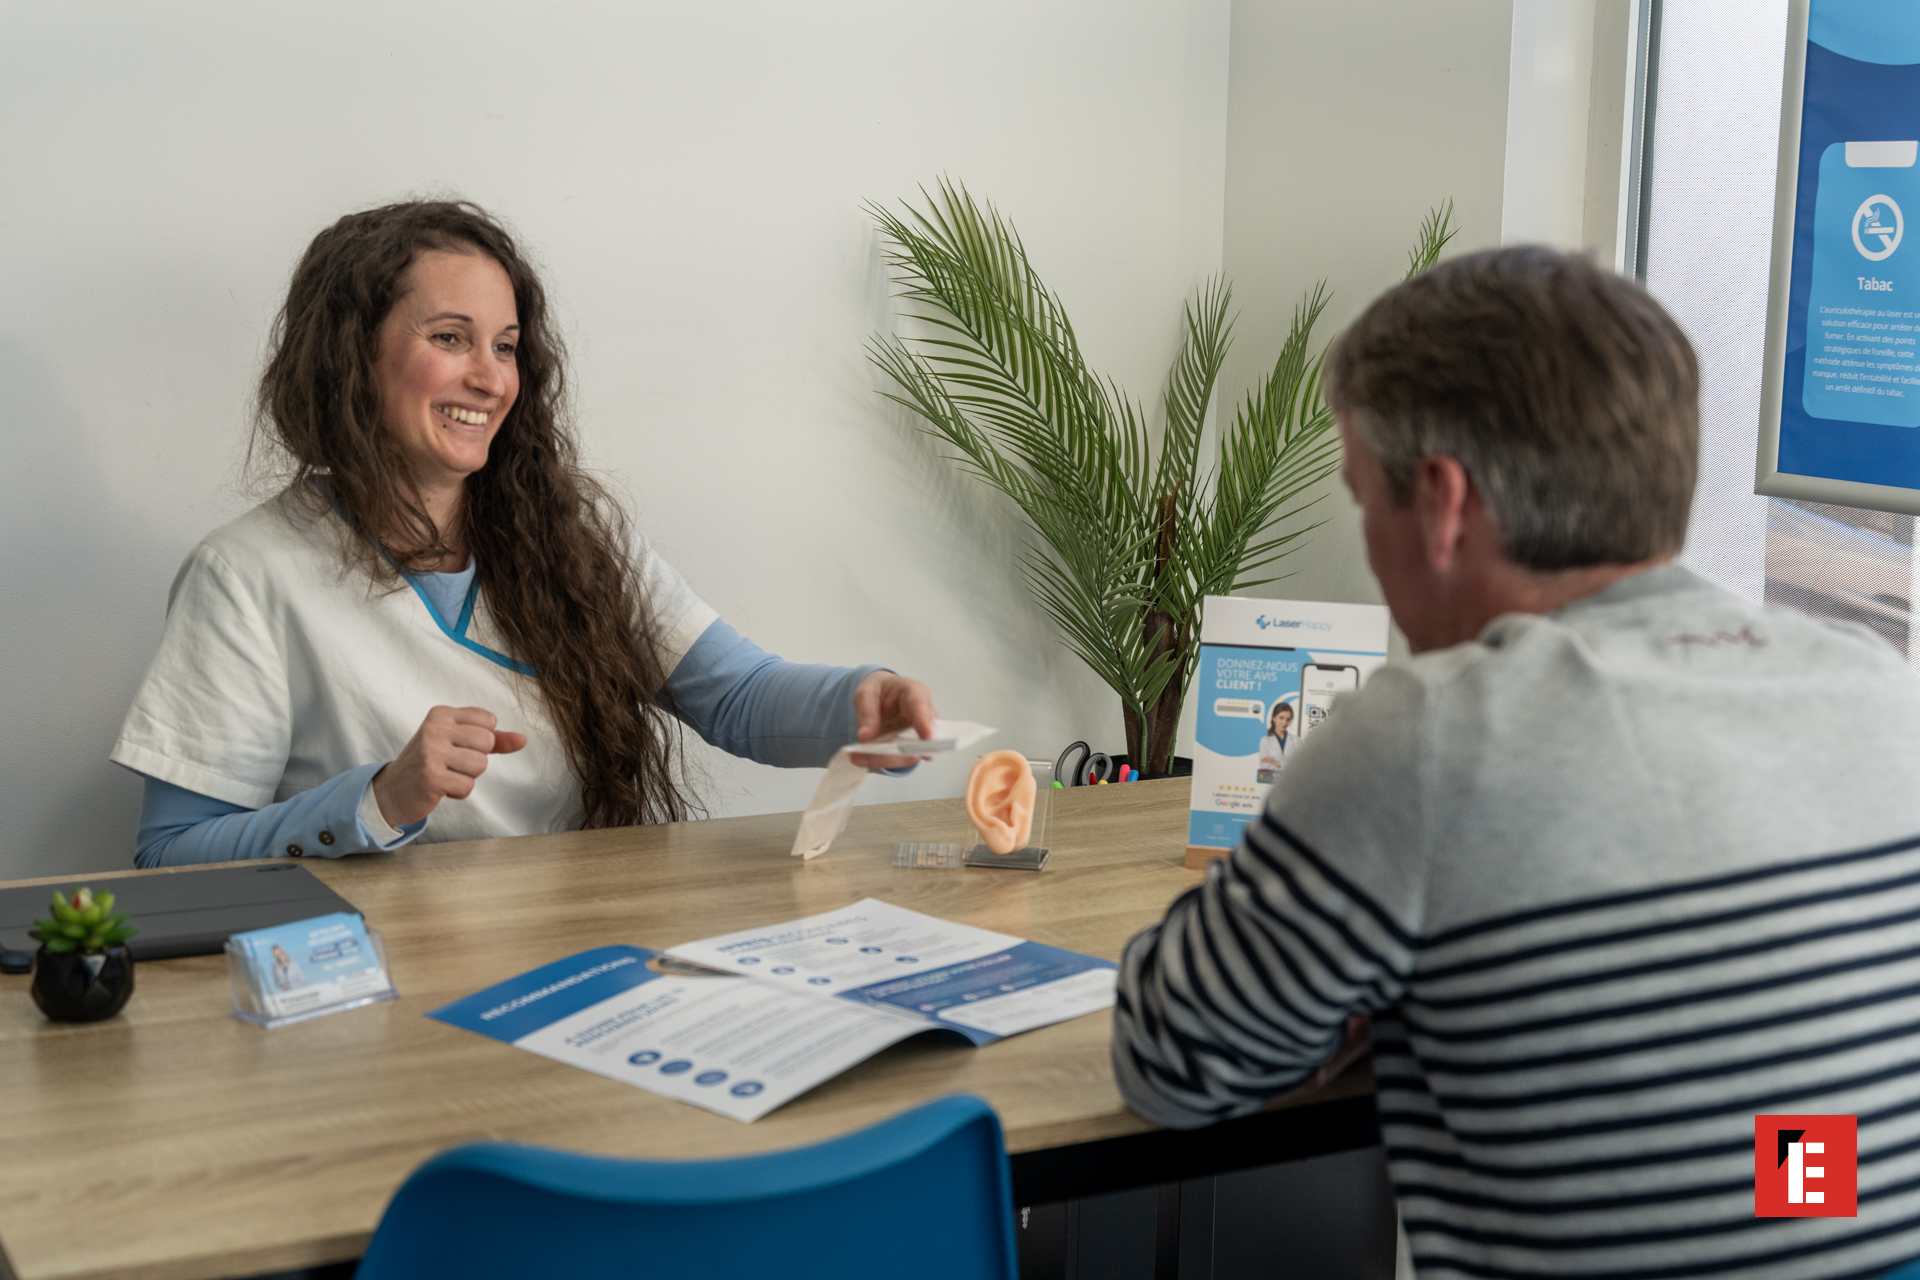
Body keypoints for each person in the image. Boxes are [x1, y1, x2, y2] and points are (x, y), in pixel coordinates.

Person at [1111, 247, 1920, 1274]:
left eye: (1366, 502)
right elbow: (1798, 1134)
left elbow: (1168, 1057)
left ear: (1443, 503)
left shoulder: (1433, 732)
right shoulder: (1873, 688)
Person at [113, 201, 935, 867]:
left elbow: (740, 696)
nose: (491, 376)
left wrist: (858, 705)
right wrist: (376, 801)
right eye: (449, 338)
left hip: (574, 953)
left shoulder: (568, 534)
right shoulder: (246, 575)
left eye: (505, 346)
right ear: (348, 356)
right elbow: (172, 855)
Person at [1256, 701, 1293, 782]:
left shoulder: (1296, 741)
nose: (1284, 722)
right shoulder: (1265, 741)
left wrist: (1276, 762)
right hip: (1271, 783)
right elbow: (1265, 766)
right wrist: (1287, 765)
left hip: (1291, 784)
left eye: (1288, 719)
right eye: (1281, 718)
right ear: (1274, 718)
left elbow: (1298, 765)